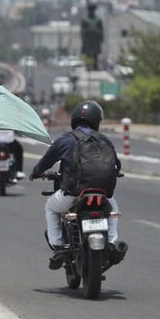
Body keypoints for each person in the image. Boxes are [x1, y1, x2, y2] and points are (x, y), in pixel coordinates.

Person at [30, 101, 120, 269]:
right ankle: (113, 242)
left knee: (51, 206)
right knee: (113, 210)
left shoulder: (65, 139)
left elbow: (47, 161)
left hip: (73, 194)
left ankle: (58, 245)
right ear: (97, 121)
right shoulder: (105, 140)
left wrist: (36, 172)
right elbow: (116, 164)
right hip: (103, 194)